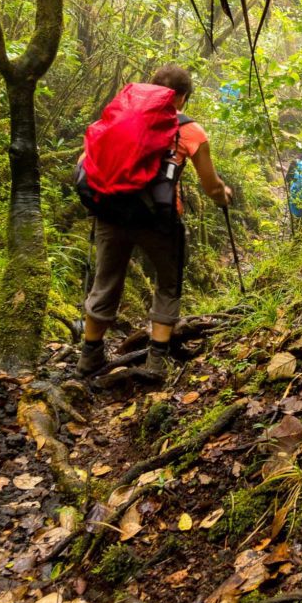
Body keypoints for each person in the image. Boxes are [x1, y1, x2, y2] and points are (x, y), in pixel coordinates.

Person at [77, 64, 232, 378]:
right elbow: (211, 185)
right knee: (168, 282)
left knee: (105, 281)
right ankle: (157, 361)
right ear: (183, 97)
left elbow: (85, 162)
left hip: (111, 213)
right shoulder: (189, 130)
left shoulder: (116, 118)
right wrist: (223, 195)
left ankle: (89, 357)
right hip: (158, 220)